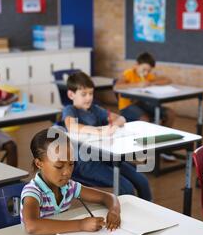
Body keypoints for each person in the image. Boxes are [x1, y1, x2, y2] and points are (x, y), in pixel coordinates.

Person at [11, 128, 121, 235]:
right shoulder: (33, 192)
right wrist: (81, 224)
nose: (67, 172)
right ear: (39, 163)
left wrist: (114, 211)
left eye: (71, 164)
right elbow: (32, 225)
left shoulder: (69, 186)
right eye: (59, 165)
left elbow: (108, 197)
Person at [62, 71, 153, 201]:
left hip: (107, 157)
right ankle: (127, 217)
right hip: (87, 163)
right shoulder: (70, 110)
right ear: (71, 94)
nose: (88, 98)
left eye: (91, 93)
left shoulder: (95, 109)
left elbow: (121, 118)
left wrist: (113, 126)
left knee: (142, 181)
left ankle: (148, 213)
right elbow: (72, 126)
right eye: (84, 94)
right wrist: (98, 131)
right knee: (126, 187)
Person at [115, 52, 177, 161]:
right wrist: (137, 85)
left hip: (142, 104)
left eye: (148, 70)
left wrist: (152, 83)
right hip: (127, 107)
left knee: (170, 113)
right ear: (136, 65)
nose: (146, 72)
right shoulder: (129, 73)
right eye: (144, 69)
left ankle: (162, 147)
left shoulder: (147, 75)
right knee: (144, 120)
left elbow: (168, 80)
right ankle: (146, 151)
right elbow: (117, 86)